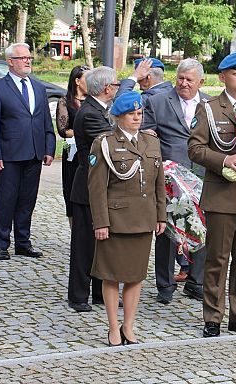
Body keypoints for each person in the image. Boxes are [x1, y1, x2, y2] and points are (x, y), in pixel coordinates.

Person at [188, 53, 236, 338]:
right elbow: (195, 149)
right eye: (235, 73)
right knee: (218, 259)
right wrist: (224, 160)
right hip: (222, 195)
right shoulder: (208, 108)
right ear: (222, 77)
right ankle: (213, 317)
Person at [88, 91, 166, 346]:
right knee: (111, 276)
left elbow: (159, 184)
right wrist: (100, 222)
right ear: (118, 116)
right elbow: (96, 187)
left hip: (143, 218)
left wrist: (161, 215)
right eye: (131, 114)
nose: (137, 118)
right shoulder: (105, 143)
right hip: (116, 219)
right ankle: (112, 327)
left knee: (136, 275)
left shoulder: (151, 142)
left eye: (139, 113)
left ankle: (129, 326)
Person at [142, 58, 209, 305]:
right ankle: (165, 285)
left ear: (200, 82)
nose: (183, 83)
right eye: (180, 78)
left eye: (189, 80)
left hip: (202, 175)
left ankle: (196, 282)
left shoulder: (210, 103)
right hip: (170, 178)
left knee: (201, 228)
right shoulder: (157, 102)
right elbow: (147, 137)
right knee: (167, 232)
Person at [0, 43, 56, 260]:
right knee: (6, 199)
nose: (27, 61)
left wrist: (49, 147)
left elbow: (45, 121)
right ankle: (1, 243)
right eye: (23, 58)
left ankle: (23, 243)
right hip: (9, 155)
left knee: (27, 200)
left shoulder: (38, 87)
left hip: (34, 153)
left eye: (29, 58)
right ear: (10, 61)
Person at [68, 66, 118, 312]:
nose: (117, 88)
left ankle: (100, 292)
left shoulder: (99, 109)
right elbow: (111, 142)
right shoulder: (90, 113)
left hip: (103, 188)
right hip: (88, 189)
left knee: (103, 245)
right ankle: (78, 296)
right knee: (84, 246)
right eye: (116, 85)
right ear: (107, 88)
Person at [56, 65, 90, 228]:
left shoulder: (92, 101)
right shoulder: (65, 101)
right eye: (87, 78)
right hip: (72, 153)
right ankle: (74, 232)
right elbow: (63, 130)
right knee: (70, 190)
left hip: (90, 151)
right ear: (77, 81)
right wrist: (83, 132)